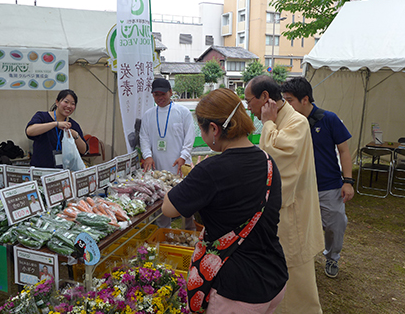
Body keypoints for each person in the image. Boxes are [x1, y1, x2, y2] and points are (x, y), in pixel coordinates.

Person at [162, 88, 288, 314]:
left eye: (202, 128)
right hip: (274, 275)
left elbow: (168, 207)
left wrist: (195, 176)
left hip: (237, 290)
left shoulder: (210, 170)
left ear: (213, 129)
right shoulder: (268, 162)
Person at [244, 75, 324, 314]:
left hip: (292, 211)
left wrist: (268, 123)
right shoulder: (283, 119)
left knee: (293, 272)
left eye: (250, 101)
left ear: (265, 97)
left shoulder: (296, 122)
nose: (248, 107)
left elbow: (276, 159)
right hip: (281, 210)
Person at [281, 77, 354, 278]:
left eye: (289, 100)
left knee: (335, 225)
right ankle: (301, 261)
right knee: (299, 227)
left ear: (305, 99)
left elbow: (344, 151)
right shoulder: (288, 123)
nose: (286, 104)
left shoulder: (328, 119)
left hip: (328, 186)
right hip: (300, 186)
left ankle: (332, 257)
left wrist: (348, 181)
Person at [139, 77, 195, 230]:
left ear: (171, 92)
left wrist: (183, 156)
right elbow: (143, 137)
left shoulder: (183, 112)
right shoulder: (149, 115)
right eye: (156, 94)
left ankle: (189, 231)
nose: (160, 98)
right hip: (158, 165)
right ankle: (164, 232)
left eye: (163, 94)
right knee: (162, 201)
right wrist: (147, 155)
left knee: (187, 200)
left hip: (179, 165)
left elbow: (190, 136)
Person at [26, 89, 88, 168]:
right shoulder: (42, 116)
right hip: (41, 170)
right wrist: (55, 124)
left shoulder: (73, 125)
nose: (69, 106)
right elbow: (29, 131)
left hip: (64, 172)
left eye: (73, 104)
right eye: (66, 102)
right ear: (57, 102)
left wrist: (75, 135)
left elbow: (83, 150)